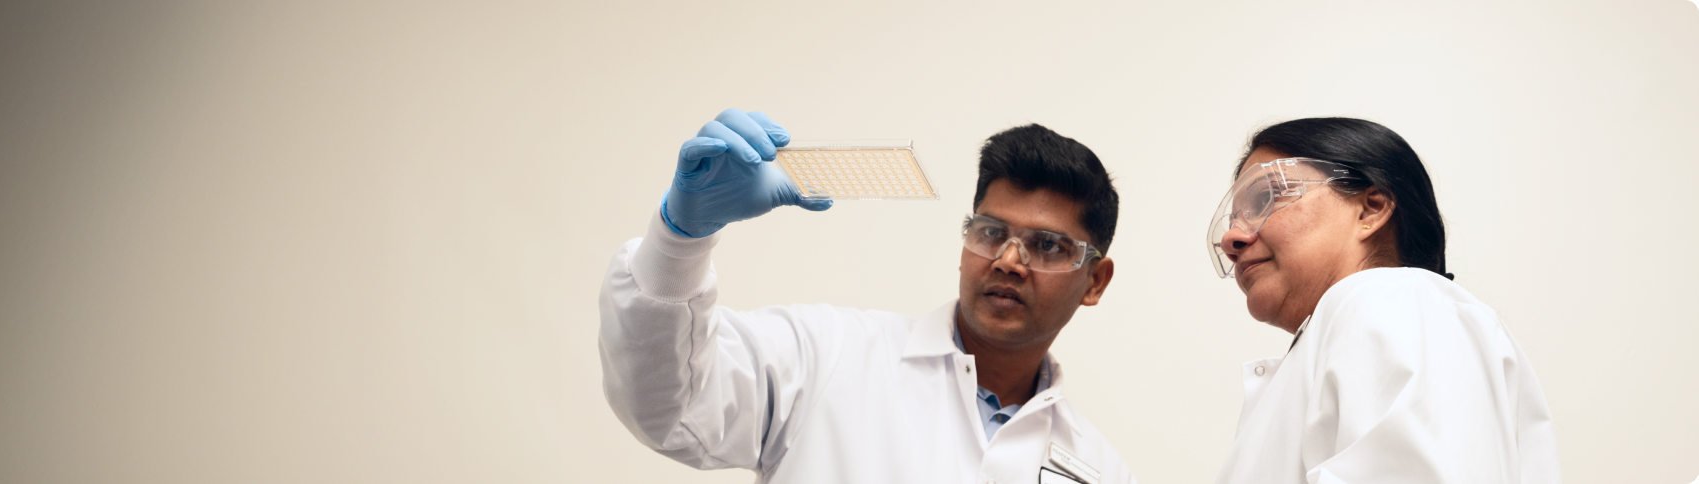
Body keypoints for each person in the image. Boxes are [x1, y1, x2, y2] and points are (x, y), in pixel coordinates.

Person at [599, 108, 1136, 484]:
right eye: (991, 231)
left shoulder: (1101, 470)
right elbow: (666, 409)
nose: (1007, 260)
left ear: (1095, 281)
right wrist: (680, 238)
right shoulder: (823, 356)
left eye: (1046, 245)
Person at [1206, 118, 1561, 483]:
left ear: (1371, 208)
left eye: (1266, 198)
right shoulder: (1360, 327)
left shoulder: (1393, 298)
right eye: (1234, 218)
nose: (1233, 237)